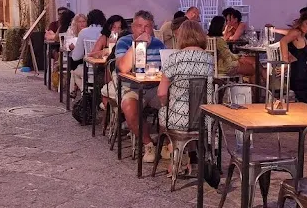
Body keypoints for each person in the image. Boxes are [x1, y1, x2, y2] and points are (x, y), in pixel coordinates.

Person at [157, 20, 215, 173]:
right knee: (191, 112)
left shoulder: (173, 59)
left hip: (179, 117)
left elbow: (162, 92)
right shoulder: (209, 59)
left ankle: (176, 151)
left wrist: (166, 104)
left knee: (165, 113)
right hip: (203, 117)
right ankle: (191, 155)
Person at [115, 10, 167, 163]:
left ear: (152, 28)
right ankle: (148, 144)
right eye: (139, 26)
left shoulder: (159, 44)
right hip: (131, 87)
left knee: (173, 106)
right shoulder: (124, 42)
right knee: (130, 109)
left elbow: (166, 69)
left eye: (147, 27)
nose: (143, 30)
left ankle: (166, 144)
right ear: (132, 27)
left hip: (154, 88)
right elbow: (123, 68)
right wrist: (137, 45)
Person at [70, 9, 106, 93]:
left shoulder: (83, 32)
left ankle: (85, 94)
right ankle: (86, 93)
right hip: (105, 70)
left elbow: (75, 57)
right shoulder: (106, 32)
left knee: (74, 72)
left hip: (89, 70)